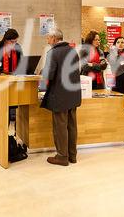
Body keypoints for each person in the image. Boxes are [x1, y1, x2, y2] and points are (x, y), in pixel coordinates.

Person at [41, 28, 81, 166]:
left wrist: (42, 71)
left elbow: (49, 75)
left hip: (59, 95)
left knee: (60, 127)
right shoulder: (72, 51)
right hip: (73, 94)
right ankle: (72, 155)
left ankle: (62, 156)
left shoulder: (53, 53)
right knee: (72, 126)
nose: (47, 40)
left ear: (54, 38)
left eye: (48, 38)